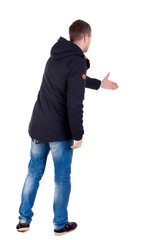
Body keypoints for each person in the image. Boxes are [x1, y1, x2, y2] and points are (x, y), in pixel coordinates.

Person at [16, 19, 118, 236]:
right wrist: (78, 134)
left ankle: (23, 220)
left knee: (33, 173)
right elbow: (74, 101)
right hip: (59, 133)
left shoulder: (56, 56)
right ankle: (60, 225)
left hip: (38, 127)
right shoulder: (77, 62)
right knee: (61, 178)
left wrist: (99, 84)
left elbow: (74, 80)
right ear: (86, 37)